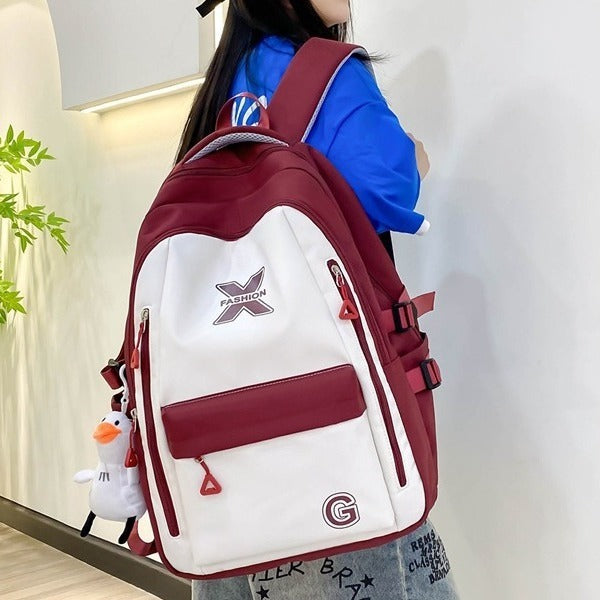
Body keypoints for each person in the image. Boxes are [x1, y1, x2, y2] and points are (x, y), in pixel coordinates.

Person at [174, 1, 461, 598]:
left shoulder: (221, 86)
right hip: (331, 442)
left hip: (227, 462)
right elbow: (385, 184)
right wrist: (416, 153)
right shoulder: (326, 71)